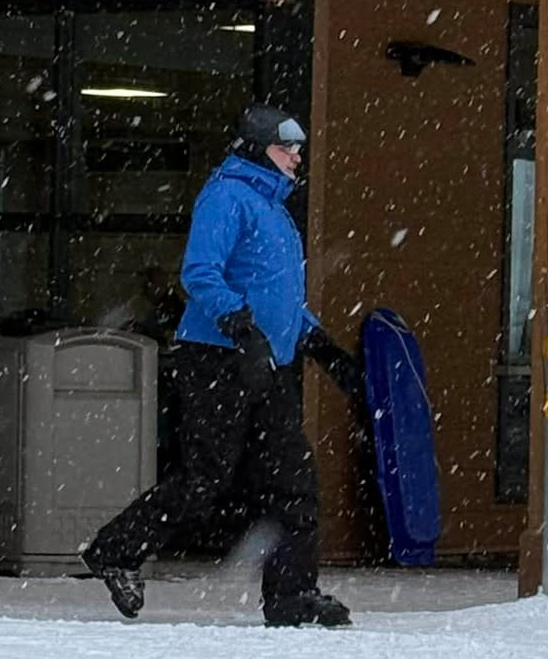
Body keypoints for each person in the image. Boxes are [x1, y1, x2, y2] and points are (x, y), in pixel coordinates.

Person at [78, 105, 366, 627]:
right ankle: (115, 551)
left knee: (293, 481)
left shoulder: (273, 208)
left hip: (266, 362)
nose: (297, 156)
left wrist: (322, 347)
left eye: (298, 147)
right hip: (215, 358)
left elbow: (277, 295)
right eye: (286, 147)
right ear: (257, 149)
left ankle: (291, 596)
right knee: (206, 478)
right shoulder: (227, 196)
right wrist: (239, 328)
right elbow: (200, 273)